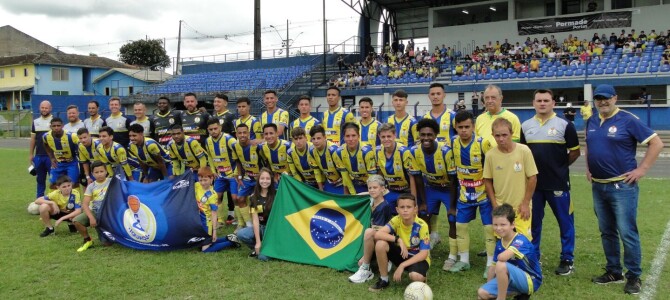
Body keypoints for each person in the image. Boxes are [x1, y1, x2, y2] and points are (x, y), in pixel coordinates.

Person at [585, 84, 664, 295]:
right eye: (599, 98)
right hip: (599, 187)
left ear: (615, 98)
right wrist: (588, 168)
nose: (603, 102)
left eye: (607, 98)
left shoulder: (628, 119)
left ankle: (634, 276)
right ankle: (613, 271)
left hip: (622, 187)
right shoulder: (592, 120)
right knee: (607, 232)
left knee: (627, 232)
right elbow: (590, 146)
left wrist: (642, 169)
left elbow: (656, 143)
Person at [521, 89, 580, 276]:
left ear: (553, 103)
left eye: (546, 100)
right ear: (533, 103)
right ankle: (533, 256)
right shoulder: (526, 126)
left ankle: (567, 259)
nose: (542, 103)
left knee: (565, 222)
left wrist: (560, 167)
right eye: (539, 100)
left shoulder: (565, 125)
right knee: (533, 223)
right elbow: (523, 154)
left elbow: (575, 152)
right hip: (534, 185)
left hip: (558, 184)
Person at [446, 110, 495, 277]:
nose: (464, 130)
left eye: (467, 127)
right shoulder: (453, 143)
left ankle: (490, 264)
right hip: (464, 193)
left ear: (473, 127)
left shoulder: (483, 143)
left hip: (483, 194)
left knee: (489, 228)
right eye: (460, 127)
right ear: (456, 128)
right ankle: (464, 261)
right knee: (460, 226)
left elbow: (492, 168)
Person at [408, 118, 457, 253]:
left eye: (430, 135)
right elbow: (418, 178)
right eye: (423, 135)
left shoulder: (446, 151)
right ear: (418, 135)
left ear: (436, 135)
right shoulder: (413, 151)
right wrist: (422, 202)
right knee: (423, 213)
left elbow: (454, 180)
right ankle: (425, 248)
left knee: (453, 217)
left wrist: (452, 206)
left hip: (448, 188)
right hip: (431, 187)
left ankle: (454, 252)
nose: (426, 138)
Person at [483, 118, 538, 240]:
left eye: (504, 135)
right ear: (492, 135)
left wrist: (525, 203)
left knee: (523, 242)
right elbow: (487, 181)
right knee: (504, 241)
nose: (501, 139)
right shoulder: (490, 155)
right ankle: (504, 260)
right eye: (497, 135)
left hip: (520, 207)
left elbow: (532, 178)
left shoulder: (524, 151)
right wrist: (495, 205)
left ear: (511, 133)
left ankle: (527, 260)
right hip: (501, 207)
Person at [477, 204, 543, 299]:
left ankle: (501, 298)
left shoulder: (521, 240)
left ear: (512, 224)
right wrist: (489, 286)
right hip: (512, 279)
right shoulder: (500, 243)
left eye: (503, 224)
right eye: (495, 224)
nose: (498, 228)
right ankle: (518, 294)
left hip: (530, 281)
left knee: (501, 264)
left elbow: (501, 258)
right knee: (482, 293)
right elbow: (492, 267)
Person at [369, 193, 430, 292]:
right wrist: (398, 240)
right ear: (397, 210)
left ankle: (422, 277)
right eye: (402, 207)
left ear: (415, 209)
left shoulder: (422, 225)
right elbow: (378, 234)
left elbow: (424, 254)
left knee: (415, 277)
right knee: (381, 244)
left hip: (417, 258)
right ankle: (384, 280)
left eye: (409, 207)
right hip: (402, 253)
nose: (405, 210)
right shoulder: (396, 220)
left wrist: (402, 265)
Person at [348, 175, 394, 284]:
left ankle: (369, 266)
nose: (372, 190)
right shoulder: (372, 200)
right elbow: (367, 194)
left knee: (369, 232)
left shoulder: (383, 207)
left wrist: (365, 257)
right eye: (370, 188)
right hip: (373, 238)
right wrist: (354, 196)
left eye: (375, 187)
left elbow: (377, 234)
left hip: (383, 241)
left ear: (383, 189)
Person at [236, 167, 276, 261]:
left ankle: (270, 248)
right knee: (241, 234)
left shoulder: (277, 195)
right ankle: (257, 247)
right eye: (262, 178)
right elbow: (255, 220)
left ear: (271, 180)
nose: (265, 181)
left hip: (272, 229)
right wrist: (258, 242)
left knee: (263, 258)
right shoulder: (253, 197)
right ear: (258, 180)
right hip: (260, 228)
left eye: (267, 178)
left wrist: (286, 177)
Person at [195, 167, 240, 253]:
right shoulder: (197, 185)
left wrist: (214, 231)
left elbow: (214, 213)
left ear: (211, 178)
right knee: (203, 243)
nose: (202, 183)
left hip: (207, 224)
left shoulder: (213, 195)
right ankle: (227, 237)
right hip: (199, 221)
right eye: (200, 180)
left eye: (205, 180)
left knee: (205, 250)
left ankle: (231, 242)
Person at [204, 118, 238, 226]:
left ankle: (239, 221)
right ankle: (219, 221)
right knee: (216, 197)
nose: (213, 131)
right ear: (208, 130)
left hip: (232, 174)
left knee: (235, 198)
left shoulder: (229, 140)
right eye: (211, 129)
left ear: (220, 127)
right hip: (219, 175)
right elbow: (209, 156)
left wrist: (237, 172)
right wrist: (213, 171)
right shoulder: (207, 141)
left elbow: (239, 155)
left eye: (215, 128)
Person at [72, 161, 111, 252]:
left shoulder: (112, 182)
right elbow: (85, 204)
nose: (99, 174)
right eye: (96, 172)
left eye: (101, 171)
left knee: (108, 244)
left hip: (110, 211)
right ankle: (88, 239)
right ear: (92, 174)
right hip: (96, 211)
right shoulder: (91, 186)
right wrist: (91, 218)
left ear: (106, 171)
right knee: (76, 221)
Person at [375, 123, 414, 210]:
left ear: (394, 135)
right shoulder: (377, 151)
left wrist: (413, 198)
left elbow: (412, 177)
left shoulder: (404, 152)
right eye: (383, 137)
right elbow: (380, 174)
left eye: (389, 136)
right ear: (379, 137)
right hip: (390, 190)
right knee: (381, 209)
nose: (386, 139)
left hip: (406, 191)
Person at [233, 123, 264, 230]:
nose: (242, 135)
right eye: (240, 133)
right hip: (247, 178)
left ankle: (261, 224)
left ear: (249, 133)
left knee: (258, 201)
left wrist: (261, 140)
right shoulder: (235, 146)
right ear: (236, 134)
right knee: (239, 199)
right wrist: (240, 176)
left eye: (244, 132)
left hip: (259, 179)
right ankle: (249, 225)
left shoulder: (257, 146)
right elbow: (237, 161)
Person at [335, 122, 377, 194]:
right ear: (344, 138)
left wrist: (371, 194)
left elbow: (372, 178)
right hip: (354, 185)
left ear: (359, 136)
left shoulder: (367, 152)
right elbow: (345, 177)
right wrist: (353, 195)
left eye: (353, 135)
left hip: (369, 186)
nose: (351, 139)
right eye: (347, 136)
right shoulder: (339, 153)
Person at [43, 117, 80, 189]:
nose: (56, 128)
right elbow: (46, 144)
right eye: (54, 126)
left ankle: (75, 200)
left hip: (71, 163)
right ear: (50, 127)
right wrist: (51, 158)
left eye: (58, 126)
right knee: (53, 184)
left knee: (73, 184)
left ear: (62, 126)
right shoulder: (46, 136)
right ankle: (56, 199)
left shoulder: (71, 136)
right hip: (58, 163)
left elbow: (81, 146)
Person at [308, 125, 346, 194]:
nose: (316, 141)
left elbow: (345, 173)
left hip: (343, 184)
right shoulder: (311, 151)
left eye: (318, 138)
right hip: (329, 183)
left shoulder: (334, 150)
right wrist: (320, 189)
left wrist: (346, 191)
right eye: (313, 139)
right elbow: (316, 172)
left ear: (325, 137)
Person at [30, 100, 53, 198]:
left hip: (51, 157)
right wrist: (31, 154)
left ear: (50, 108)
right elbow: (33, 139)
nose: (44, 110)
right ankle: (39, 200)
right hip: (39, 156)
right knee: (40, 180)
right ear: (39, 108)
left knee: (53, 179)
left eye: (46, 108)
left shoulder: (54, 121)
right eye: (42, 107)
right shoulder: (35, 122)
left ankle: (54, 199)